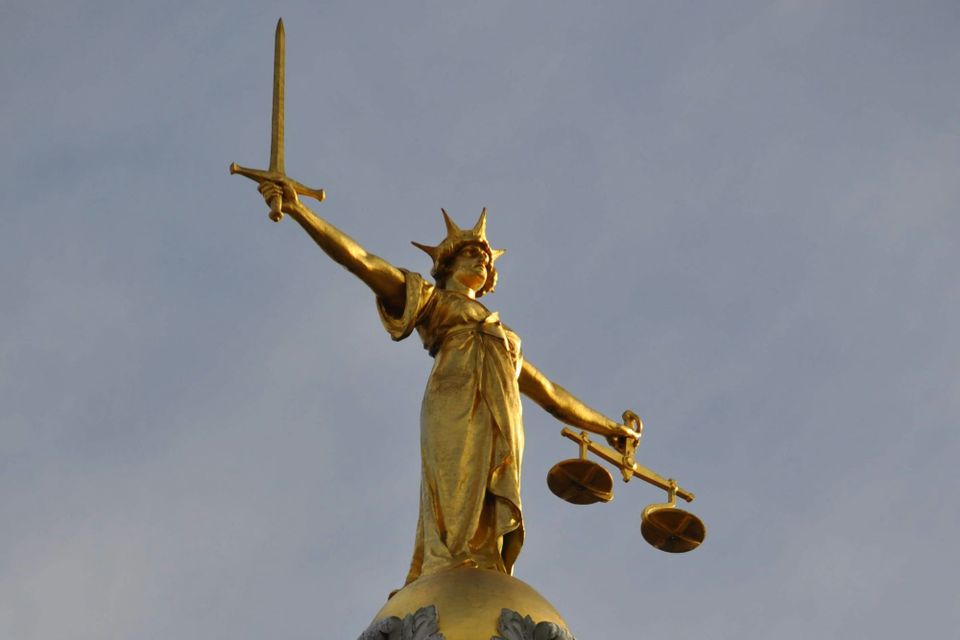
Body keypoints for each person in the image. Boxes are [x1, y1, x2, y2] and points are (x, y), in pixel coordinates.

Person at [258, 181, 640, 585]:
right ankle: (447, 564)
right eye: (472, 253)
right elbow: (362, 262)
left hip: (504, 416)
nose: (482, 261)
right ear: (447, 264)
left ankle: (484, 559)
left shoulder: (504, 336)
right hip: (454, 402)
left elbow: (549, 394)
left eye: (487, 259)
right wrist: (301, 212)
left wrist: (610, 428)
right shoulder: (433, 301)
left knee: (491, 492)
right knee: (455, 488)